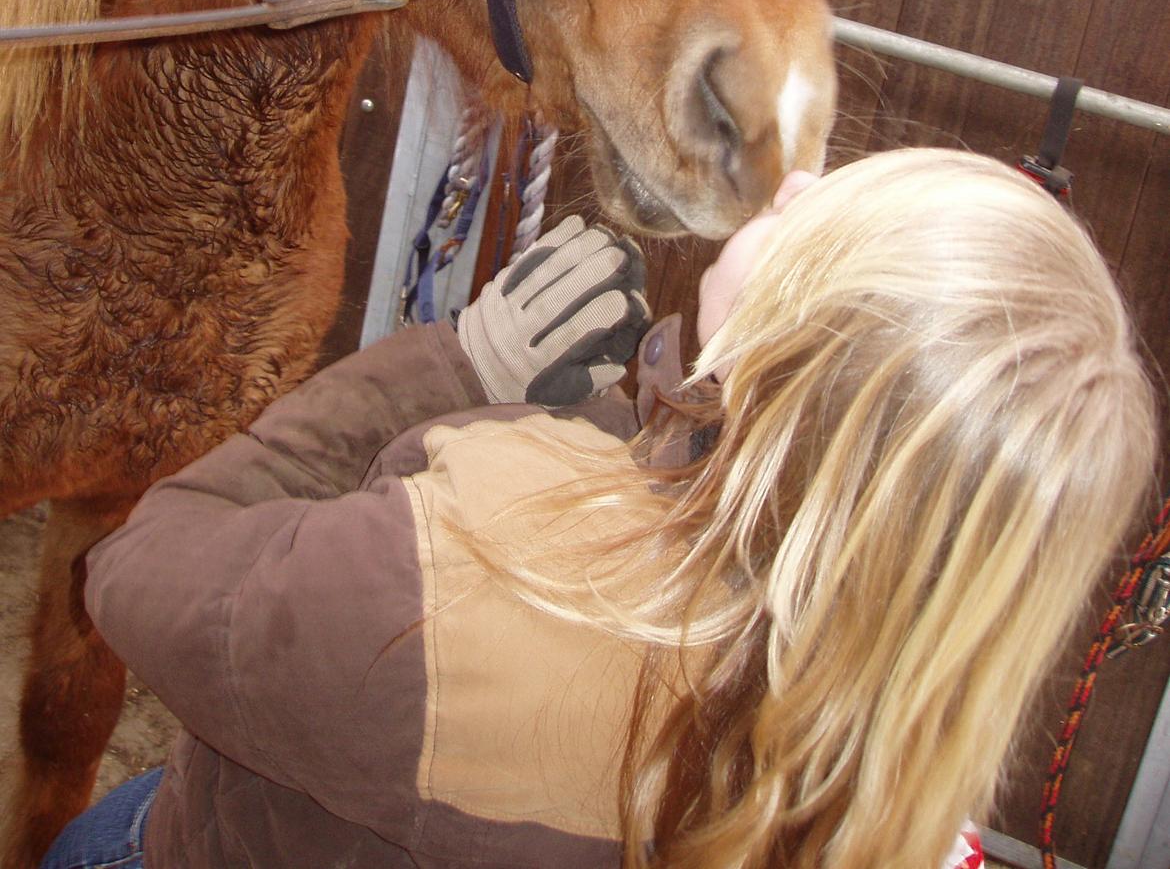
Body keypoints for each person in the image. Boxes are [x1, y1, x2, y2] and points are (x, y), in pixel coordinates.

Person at [42, 149, 1157, 869]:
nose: (798, 181)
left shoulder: (463, 570)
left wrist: (457, 371)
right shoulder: (895, 761)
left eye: (834, 216)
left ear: (786, 358)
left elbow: (144, 567)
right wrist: (656, 425)